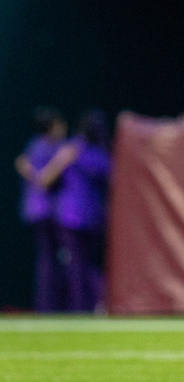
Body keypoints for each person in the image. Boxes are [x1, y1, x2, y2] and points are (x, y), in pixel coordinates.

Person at [38, 110, 112, 312]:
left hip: (77, 217)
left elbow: (46, 178)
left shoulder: (78, 149)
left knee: (80, 266)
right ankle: (81, 308)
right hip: (79, 217)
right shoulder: (81, 150)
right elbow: (46, 178)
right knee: (79, 265)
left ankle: (83, 307)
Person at [14, 108, 67, 312]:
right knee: (50, 259)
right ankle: (48, 306)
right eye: (60, 125)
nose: (63, 129)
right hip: (46, 210)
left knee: (47, 259)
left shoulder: (33, 145)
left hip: (34, 210)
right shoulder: (48, 147)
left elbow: (20, 163)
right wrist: (61, 161)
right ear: (52, 127)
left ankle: (47, 305)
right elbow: (44, 179)